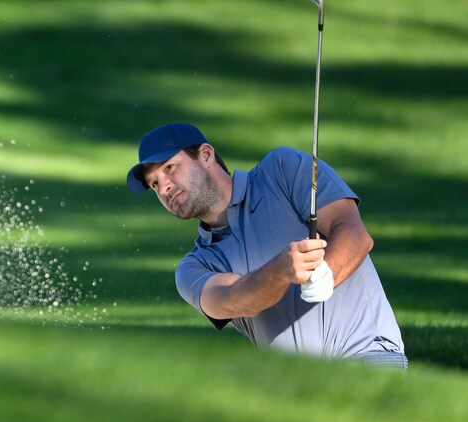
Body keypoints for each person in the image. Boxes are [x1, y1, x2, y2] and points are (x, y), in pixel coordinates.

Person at [127, 122, 406, 368]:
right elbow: (236, 299)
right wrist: (282, 270)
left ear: (206, 155)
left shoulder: (282, 170)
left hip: (369, 357)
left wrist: (328, 273)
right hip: (294, 393)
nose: (164, 188)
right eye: (154, 184)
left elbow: (354, 233)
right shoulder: (193, 267)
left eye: (170, 168)